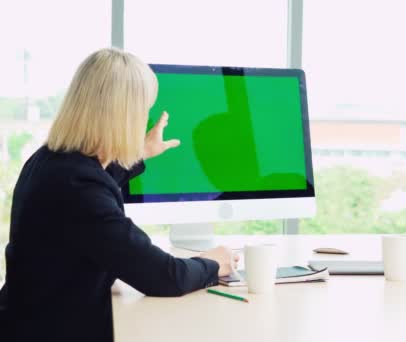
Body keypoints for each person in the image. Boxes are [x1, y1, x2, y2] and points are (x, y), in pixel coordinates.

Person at [0, 48, 239, 341]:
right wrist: (214, 263)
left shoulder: (52, 161)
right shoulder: (78, 187)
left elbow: (96, 193)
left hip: (28, 320)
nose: (144, 119)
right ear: (125, 117)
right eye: (143, 111)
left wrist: (140, 153)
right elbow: (164, 277)